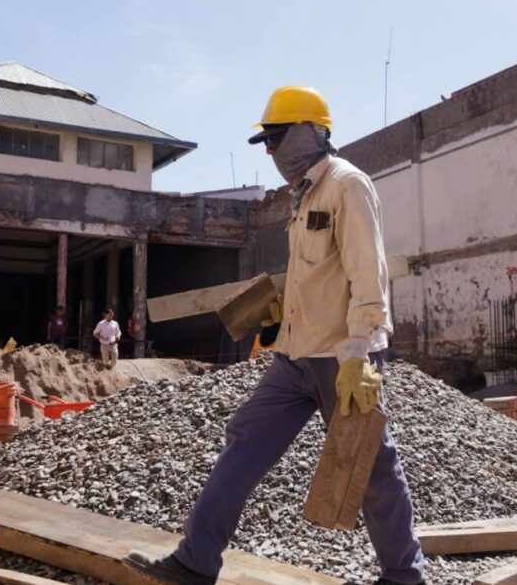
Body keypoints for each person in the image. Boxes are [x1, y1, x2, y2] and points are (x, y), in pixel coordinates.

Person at [125, 86, 425, 585]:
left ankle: (404, 576)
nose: (269, 150)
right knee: (245, 439)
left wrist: (358, 353)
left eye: (276, 137)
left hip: (340, 358)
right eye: (266, 141)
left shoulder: (348, 185)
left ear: (310, 132)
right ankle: (196, 561)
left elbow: (368, 276)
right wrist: (280, 313)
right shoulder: (302, 196)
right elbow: (317, 277)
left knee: (369, 463)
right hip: (295, 357)